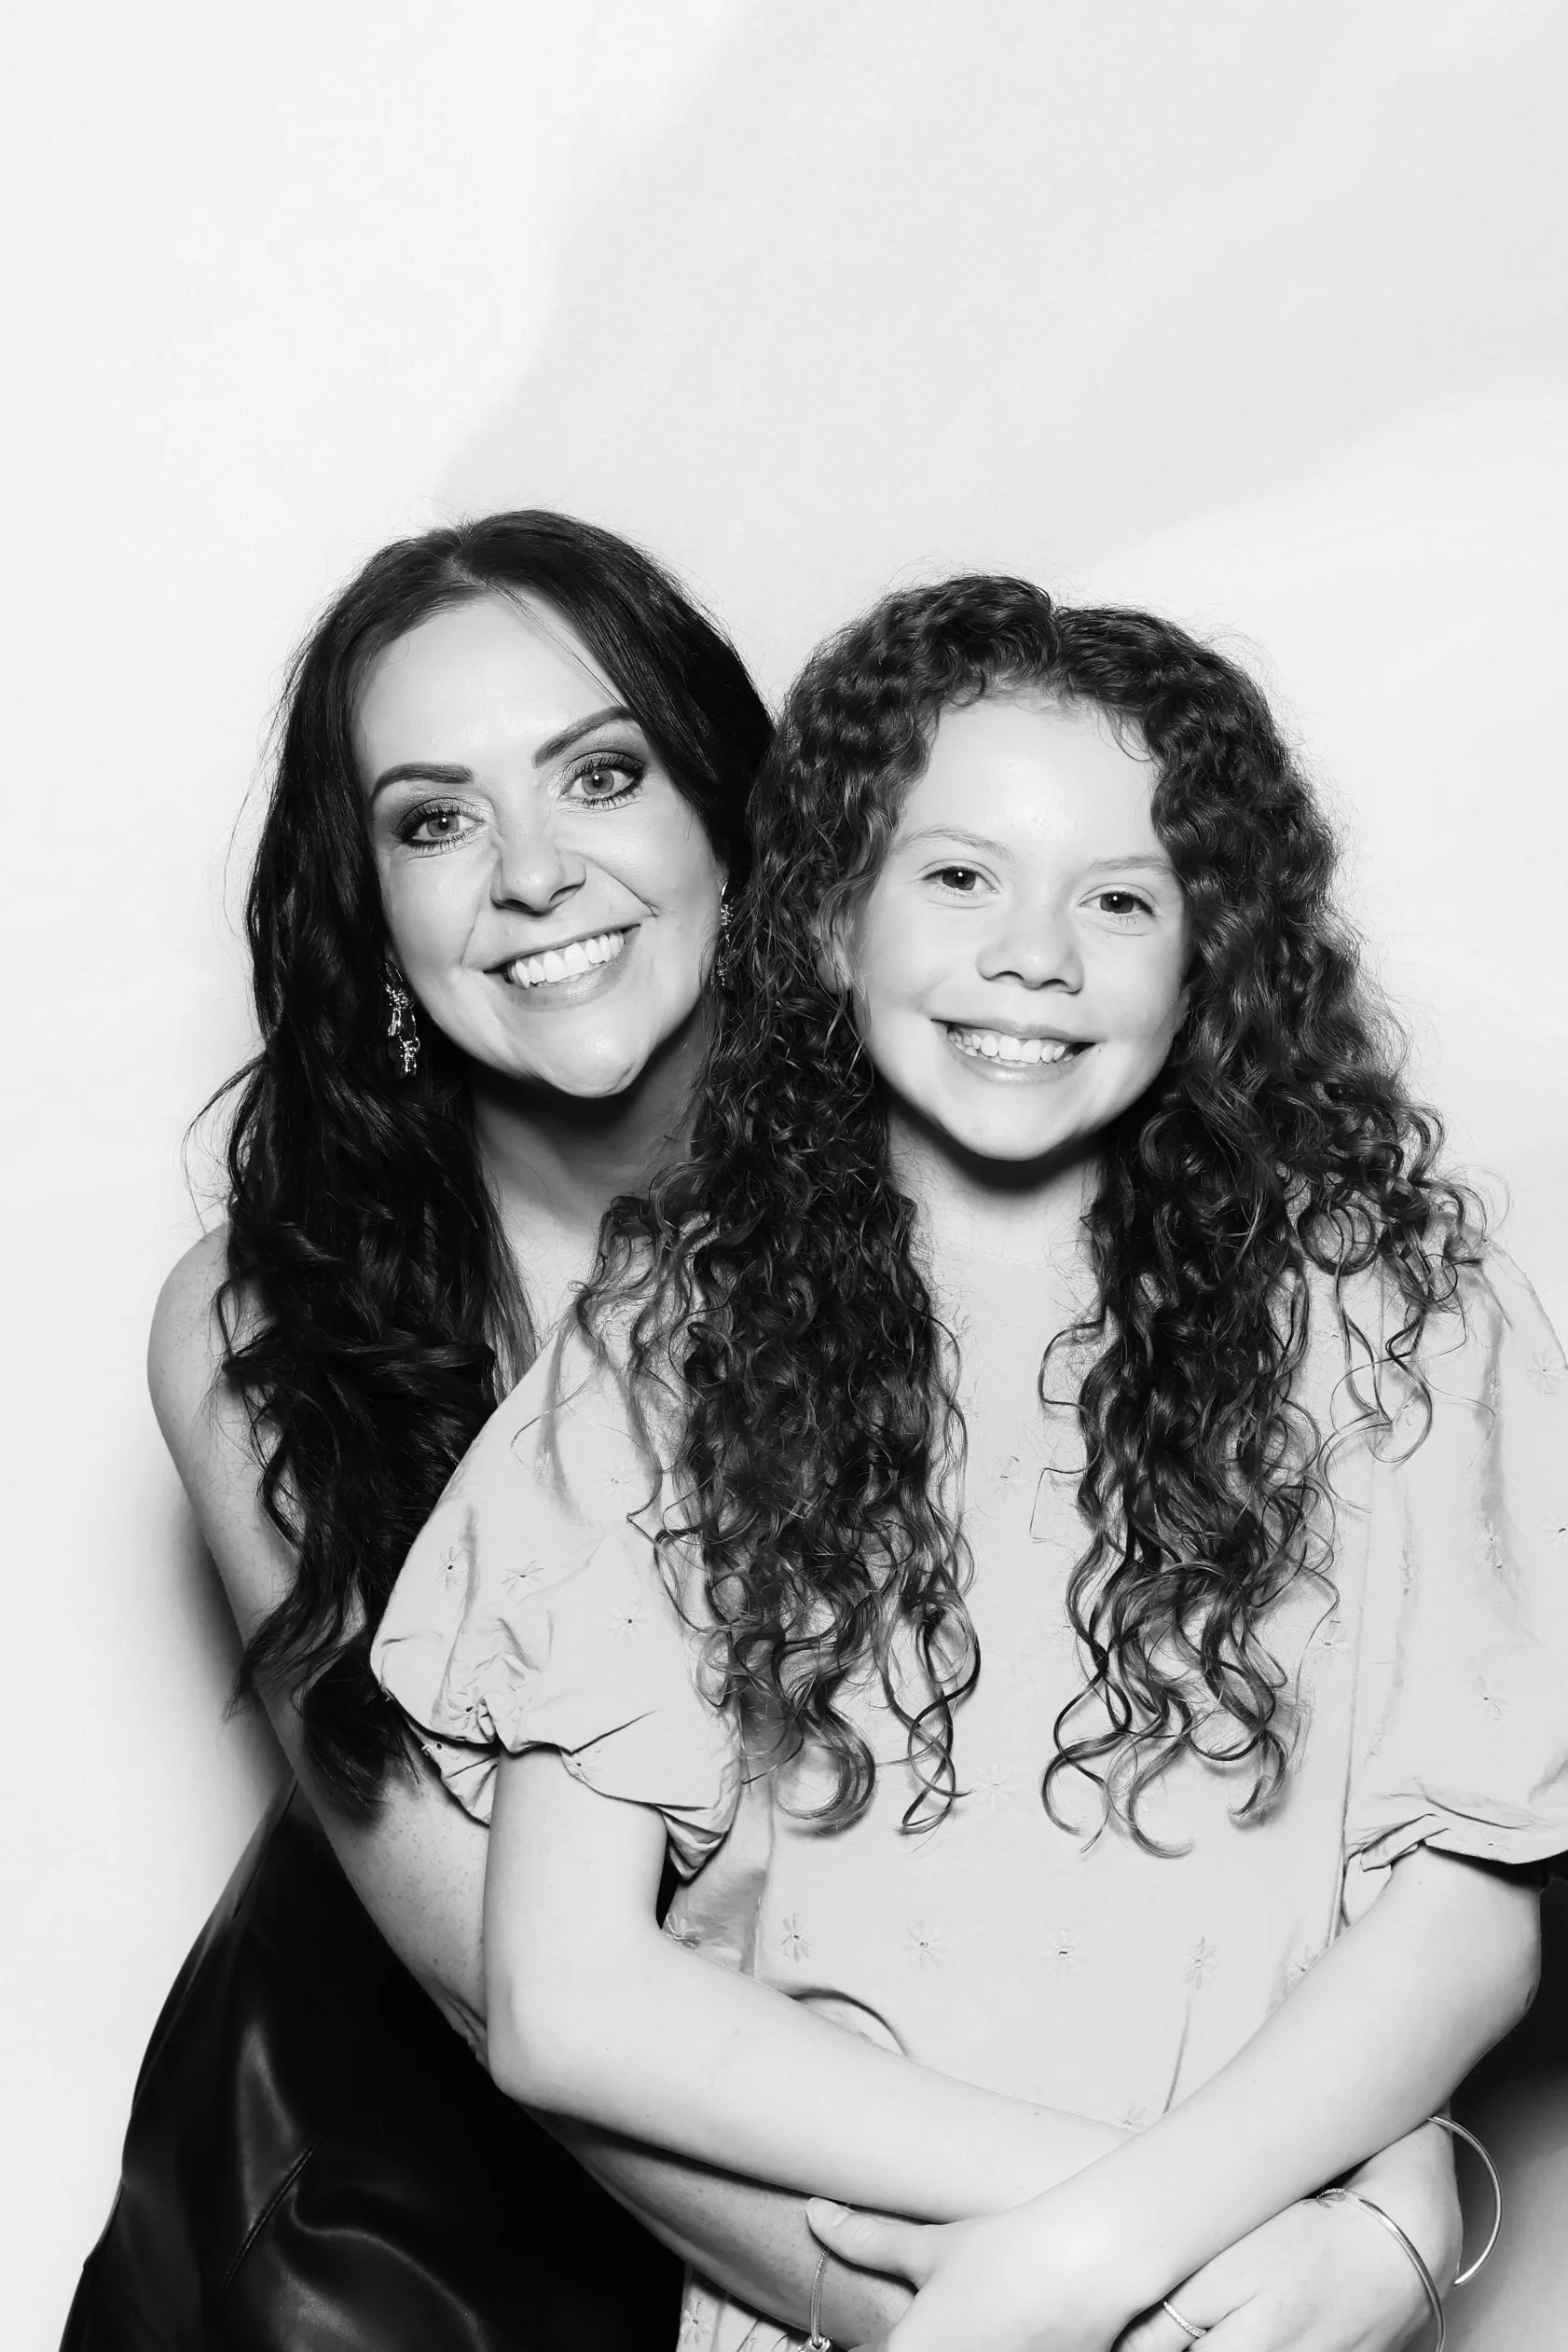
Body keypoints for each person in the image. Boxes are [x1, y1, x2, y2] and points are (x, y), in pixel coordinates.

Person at [373, 575, 1568, 2351]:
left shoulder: (1396, 1314)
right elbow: (563, 1998)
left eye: (1118, 895)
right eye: (956, 875)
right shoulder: (666, 1346)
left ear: (1212, 955)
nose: (1034, 953)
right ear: (831, 918)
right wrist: (1096, 2238)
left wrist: (1140, 2249)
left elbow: (1472, 1901)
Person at [64, 508, 881, 2350]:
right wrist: (998, 2298)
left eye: (600, 772)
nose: (531, 872)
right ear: (373, 913)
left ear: (734, 821)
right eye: (435, 817)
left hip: (868, 2202)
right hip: (374, 2262)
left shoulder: (961, 1225)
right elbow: (496, 1971)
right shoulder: (265, 1321)